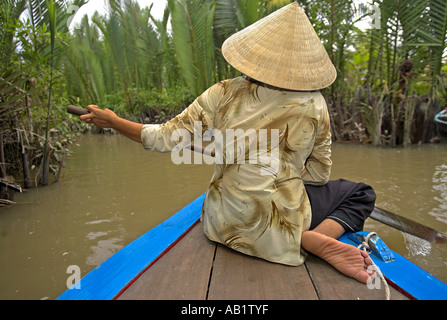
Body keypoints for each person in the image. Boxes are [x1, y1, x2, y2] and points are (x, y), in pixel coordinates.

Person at [80, 2, 376, 284]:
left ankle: (305, 233)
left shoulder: (223, 92)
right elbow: (319, 176)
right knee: (360, 193)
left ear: (255, 54)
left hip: (220, 227)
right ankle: (315, 235)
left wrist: (114, 121)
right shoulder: (315, 103)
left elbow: (162, 138)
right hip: (277, 235)